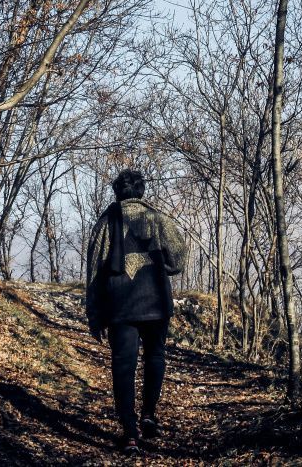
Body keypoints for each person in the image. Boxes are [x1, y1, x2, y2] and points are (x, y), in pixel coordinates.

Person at [84, 169, 188, 454]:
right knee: (155, 357)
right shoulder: (158, 219)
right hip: (156, 302)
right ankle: (149, 415)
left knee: (123, 366)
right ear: (141, 192)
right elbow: (178, 258)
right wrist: (155, 267)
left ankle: (130, 432)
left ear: (117, 192)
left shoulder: (105, 223)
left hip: (121, 306)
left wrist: (94, 314)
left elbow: (94, 271)